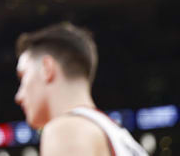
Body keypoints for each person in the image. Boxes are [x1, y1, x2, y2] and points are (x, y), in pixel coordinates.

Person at [14, 22, 147, 156]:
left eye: (23, 77)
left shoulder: (67, 130)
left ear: (46, 69)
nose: (19, 96)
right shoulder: (117, 133)